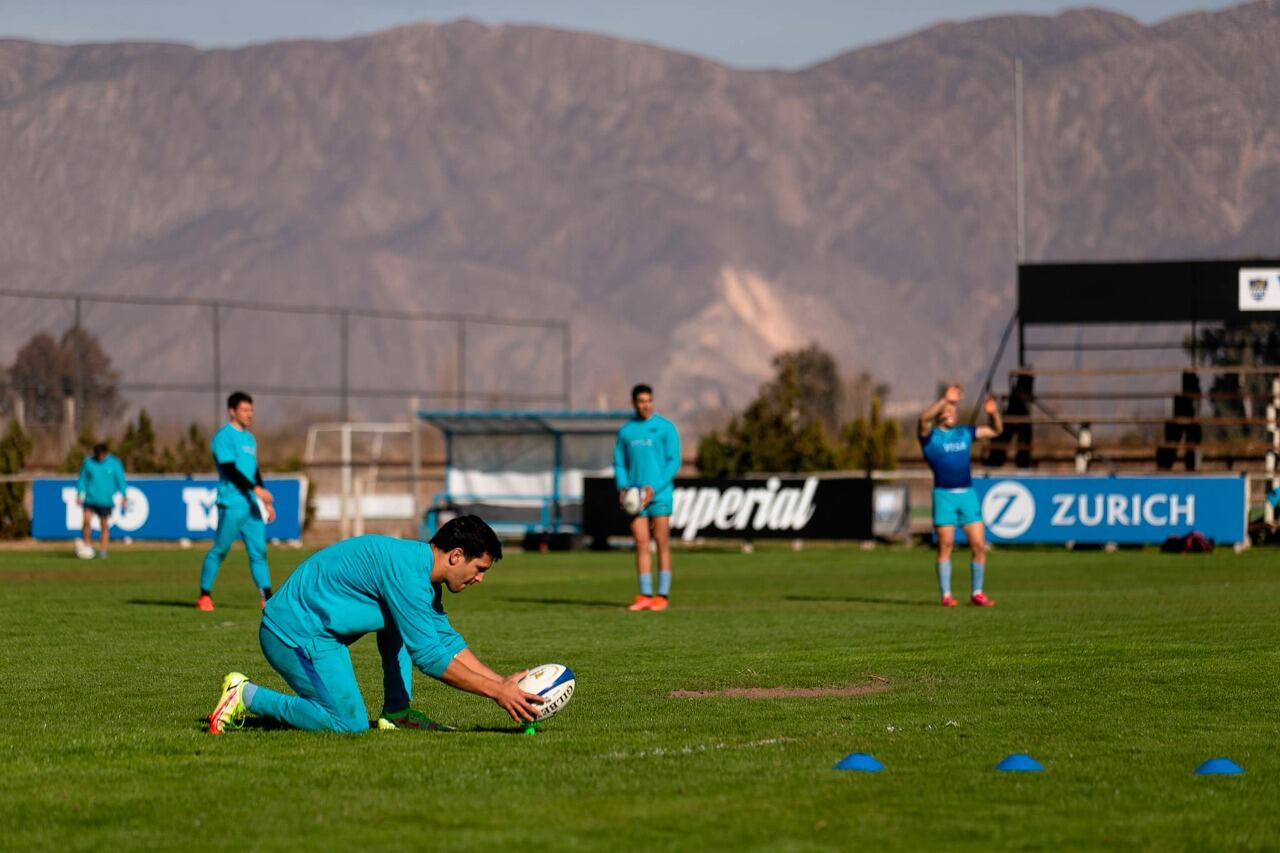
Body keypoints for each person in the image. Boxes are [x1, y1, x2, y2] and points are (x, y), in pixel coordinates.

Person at [207, 515, 544, 734]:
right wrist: (497, 693)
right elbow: (429, 656)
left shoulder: (421, 571)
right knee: (346, 725)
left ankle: (397, 712)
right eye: (480, 568)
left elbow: (446, 640)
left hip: (321, 636)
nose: (480, 579)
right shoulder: (409, 574)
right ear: (456, 555)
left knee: (399, 625)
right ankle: (245, 695)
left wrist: (504, 684)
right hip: (292, 634)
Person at [918, 384, 1003, 607]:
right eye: (947, 409)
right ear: (940, 413)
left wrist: (993, 413)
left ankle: (977, 592)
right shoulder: (930, 437)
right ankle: (946, 595)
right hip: (943, 495)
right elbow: (923, 418)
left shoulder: (964, 432)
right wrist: (944, 401)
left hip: (967, 494)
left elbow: (996, 431)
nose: (951, 412)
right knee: (945, 544)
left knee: (978, 544)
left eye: (953, 409)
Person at [197, 391, 275, 612]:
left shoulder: (250, 438)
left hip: (251, 503)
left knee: (258, 552)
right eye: (245, 410)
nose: (250, 414)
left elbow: (253, 470)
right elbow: (230, 470)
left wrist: (265, 500)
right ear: (232, 411)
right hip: (232, 502)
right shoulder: (223, 437)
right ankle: (204, 595)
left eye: (251, 410)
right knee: (220, 550)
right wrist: (256, 489)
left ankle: (267, 598)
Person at [614, 383, 681, 612]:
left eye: (649, 400)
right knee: (641, 542)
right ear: (634, 403)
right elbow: (620, 463)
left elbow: (674, 461)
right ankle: (644, 594)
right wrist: (623, 487)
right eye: (641, 401)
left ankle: (662, 595)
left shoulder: (665, 428)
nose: (646, 405)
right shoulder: (626, 431)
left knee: (661, 541)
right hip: (635, 497)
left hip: (660, 494)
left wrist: (655, 486)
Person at [75, 443, 126, 559]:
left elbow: (121, 480)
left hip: (105, 500)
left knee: (104, 525)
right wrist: (79, 493)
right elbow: (82, 479)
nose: (100, 457)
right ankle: (87, 545)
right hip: (90, 498)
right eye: (98, 455)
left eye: (102, 455)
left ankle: (103, 550)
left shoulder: (114, 463)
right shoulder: (88, 463)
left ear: (106, 453)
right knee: (86, 521)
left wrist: (124, 495)